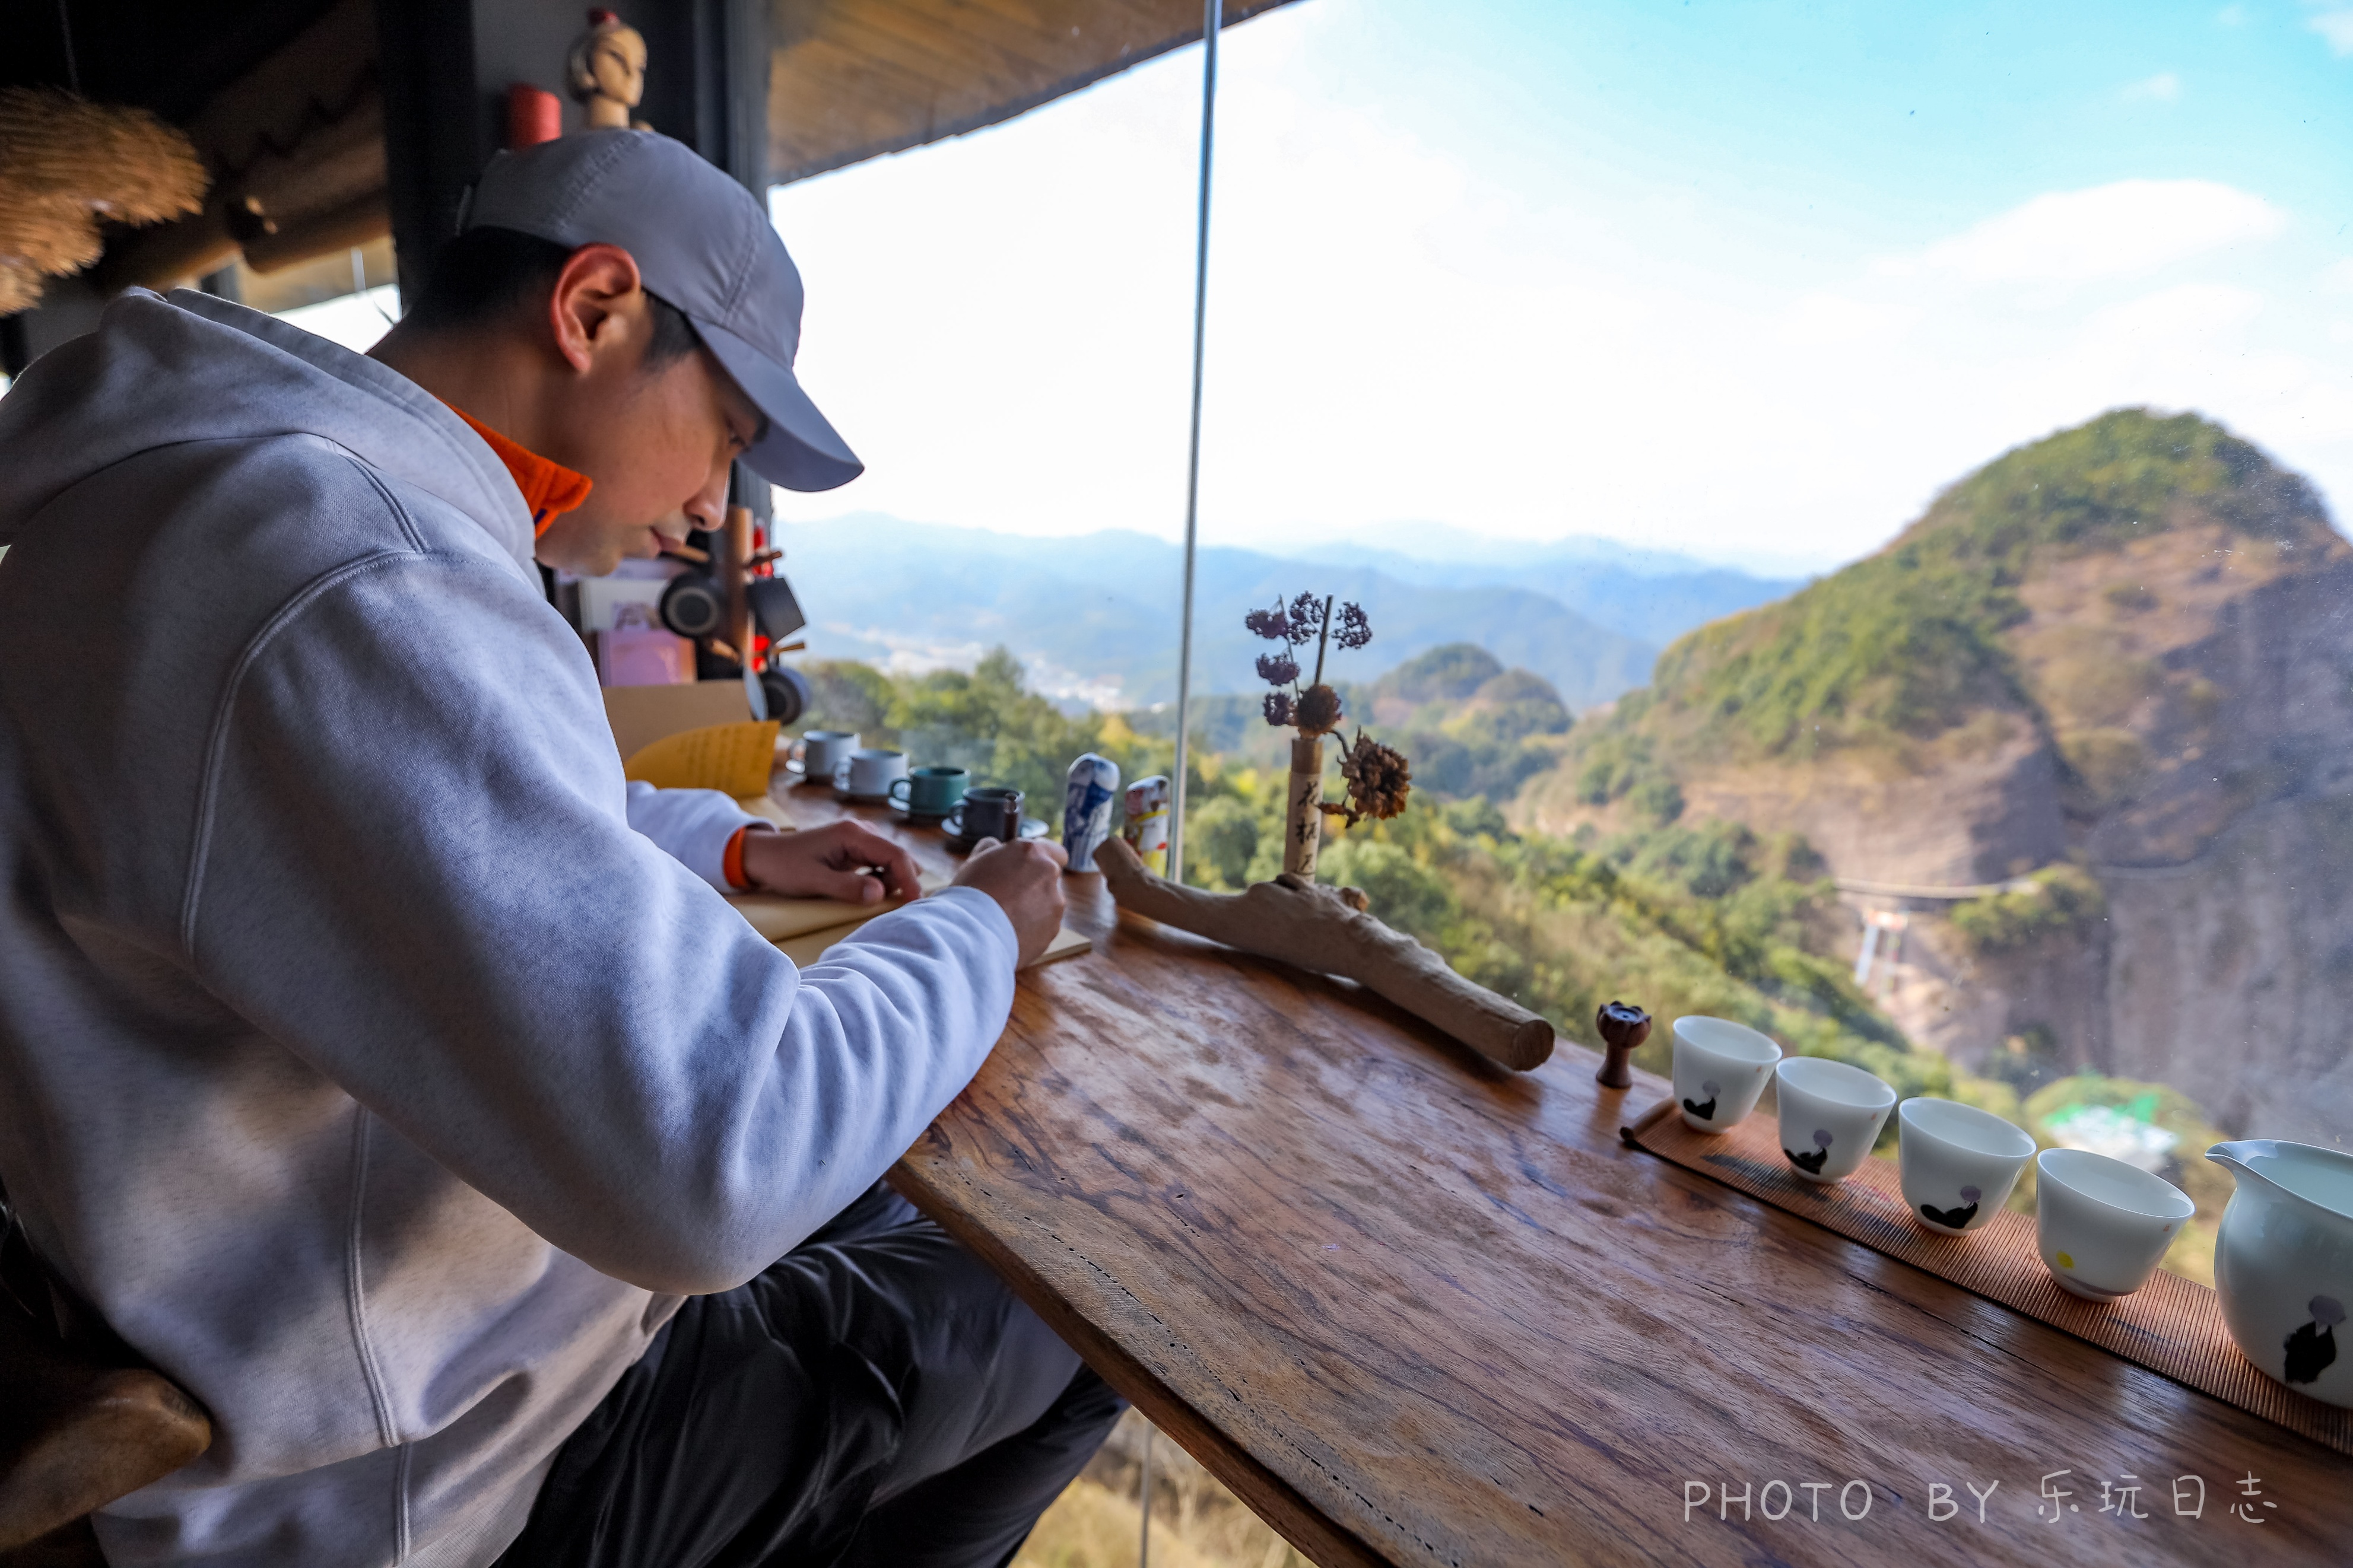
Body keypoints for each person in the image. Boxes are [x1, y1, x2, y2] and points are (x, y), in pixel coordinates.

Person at [0, 130, 1119, 1568]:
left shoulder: (183, 504)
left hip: (264, 1334)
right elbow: (719, 1163)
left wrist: (726, 848)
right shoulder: (356, 571)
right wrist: (978, 927)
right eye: (726, 431)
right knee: (1073, 1313)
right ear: (595, 307)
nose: (722, 504)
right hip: (431, 1477)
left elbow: (364, 823)